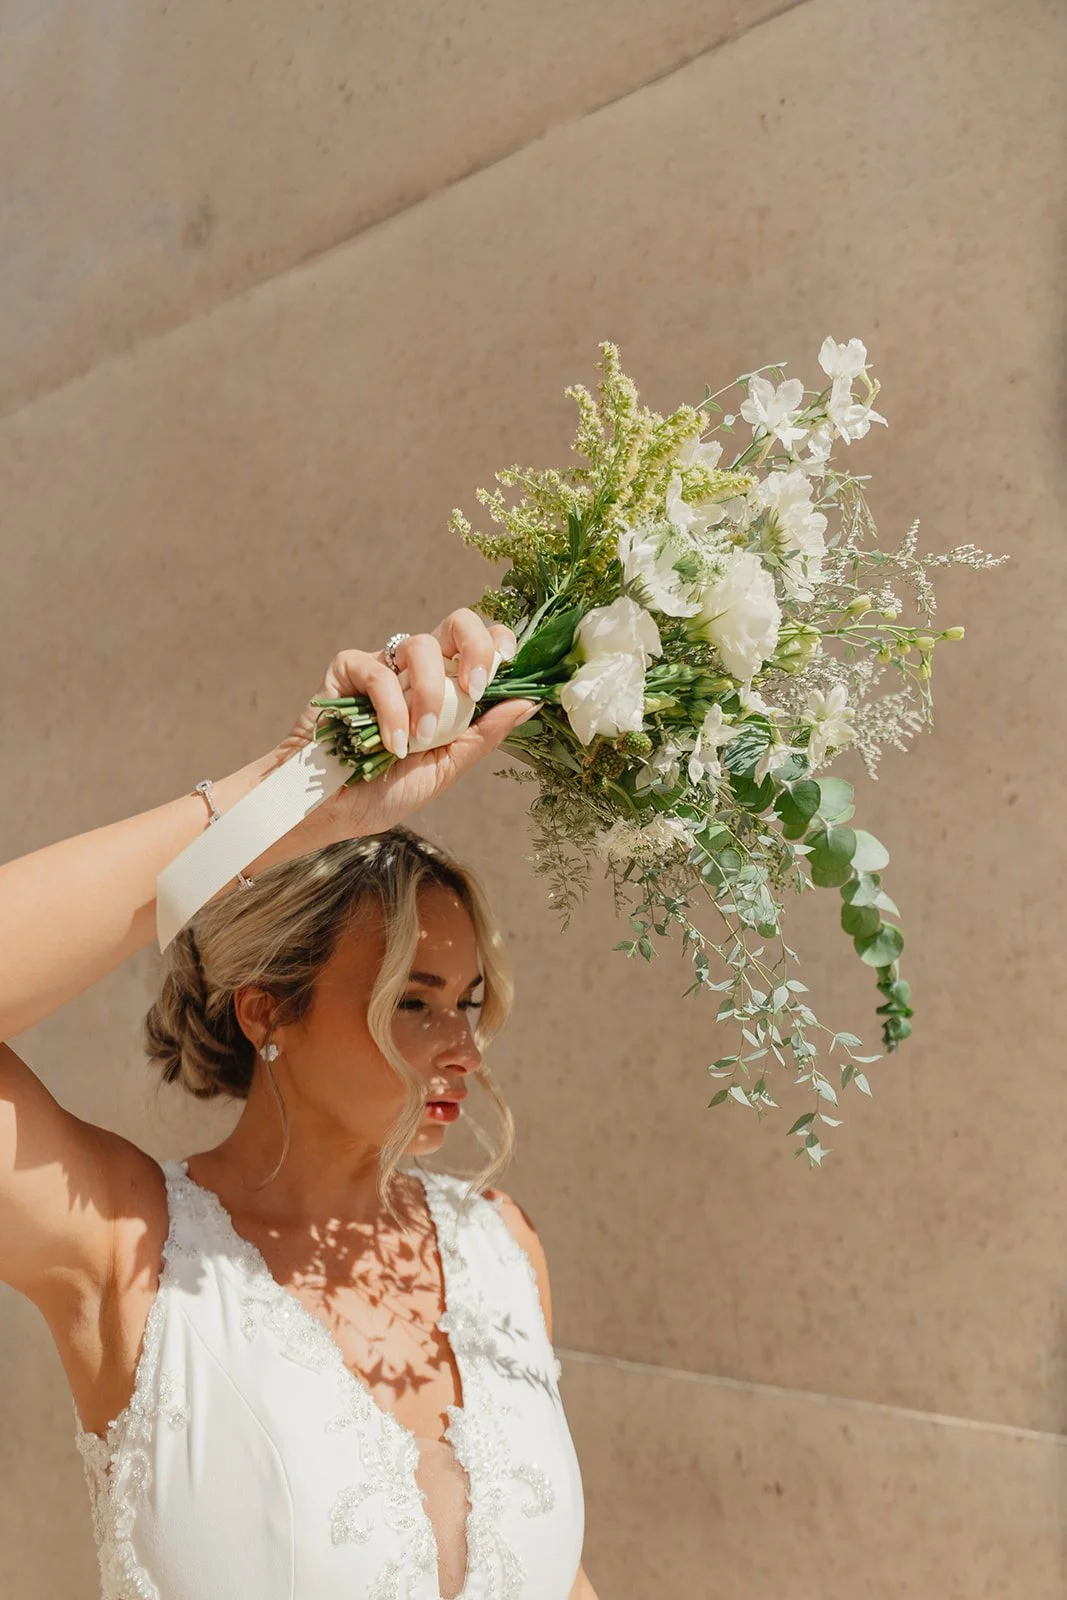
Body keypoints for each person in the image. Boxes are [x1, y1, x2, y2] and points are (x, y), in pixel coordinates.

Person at [0, 608, 599, 1600]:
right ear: (267, 1008)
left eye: (468, 1002)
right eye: (411, 1001)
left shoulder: (501, 1247)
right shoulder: (124, 1249)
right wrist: (292, 796)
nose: (461, 1044)